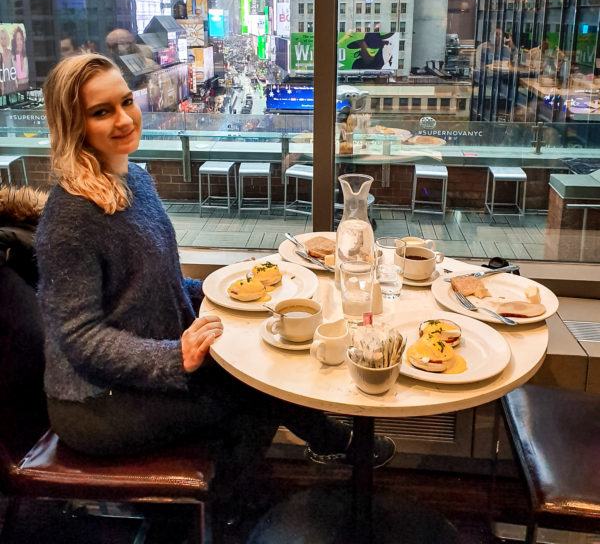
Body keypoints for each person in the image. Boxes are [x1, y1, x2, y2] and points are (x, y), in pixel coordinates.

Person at [35, 55, 395, 521]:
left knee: (261, 371)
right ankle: (210, 515)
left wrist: (232, 292)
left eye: (126, 102)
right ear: (72, 124)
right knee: (256, 395)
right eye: (102, 111)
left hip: (142, 369)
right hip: (95, 401)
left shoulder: (133, 180)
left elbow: (157, 283)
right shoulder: (69, 218)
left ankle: (294, 464)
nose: (124, 119)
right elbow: (80, 338)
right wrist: (173, 356)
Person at [11, 25, 28, 90]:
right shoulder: (12, 58)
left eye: (21, 39)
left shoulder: (27, 57)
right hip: (17, 90)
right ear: (14, 42)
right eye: (17, 39)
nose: (20, 42)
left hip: (29, 88)